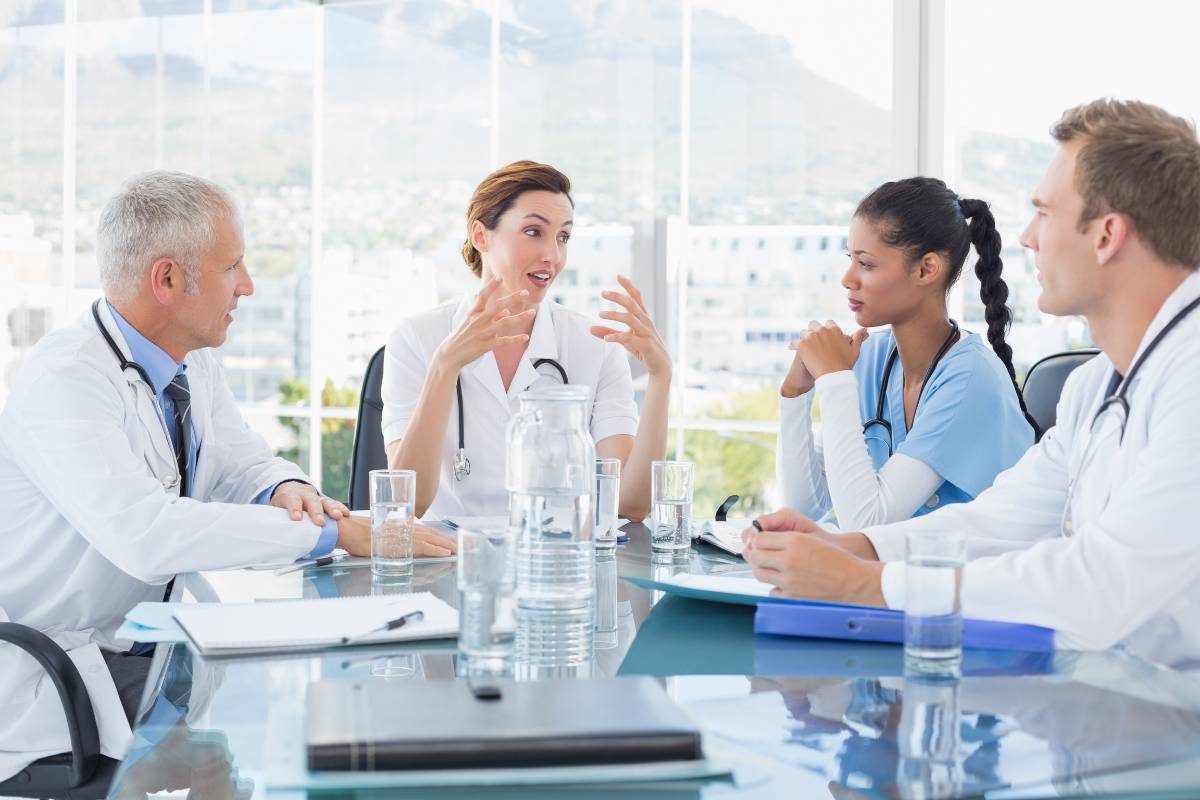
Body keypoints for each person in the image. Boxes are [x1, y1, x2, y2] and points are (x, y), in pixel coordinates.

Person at [0, 171, 456, 757]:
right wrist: (334, 532)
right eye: (231, 266)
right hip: (65, 667)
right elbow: (147, 535)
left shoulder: (186, 360)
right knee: (286, 724)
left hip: (144, 642)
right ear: (167, 278)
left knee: (314, 693)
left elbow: (241, 461)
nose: (248, 285)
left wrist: (285, 487)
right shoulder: (65, 380)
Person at [744, 99, 1200, 662]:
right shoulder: (1094, 387)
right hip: (1108, 706)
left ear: (1106, 235)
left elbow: (1103, 579)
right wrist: (851, 547)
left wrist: (865, 583)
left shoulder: (1191, 380)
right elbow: (997, 522)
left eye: (1044, 213)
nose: (1028, 237)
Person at [383, 160, 671, 521]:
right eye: (534, 231)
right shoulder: (416, 337)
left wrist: (661, 379)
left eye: (563, 237)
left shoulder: (595, 345)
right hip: (449, 563)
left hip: (553, 559)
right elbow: (405, 504)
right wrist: (445, 366)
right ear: (480, 236)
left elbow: (628, 504)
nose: (553, 255)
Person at [778, 178, 1036, 531]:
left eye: (866, 264)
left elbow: (865, 521)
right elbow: (804, 507)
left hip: (976, 579)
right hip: (902, 576)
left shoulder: (970, 377)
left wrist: (834, 380)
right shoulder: (869, 359)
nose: (847, 279)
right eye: (850, 259)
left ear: (926, 270)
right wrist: (795, 395)